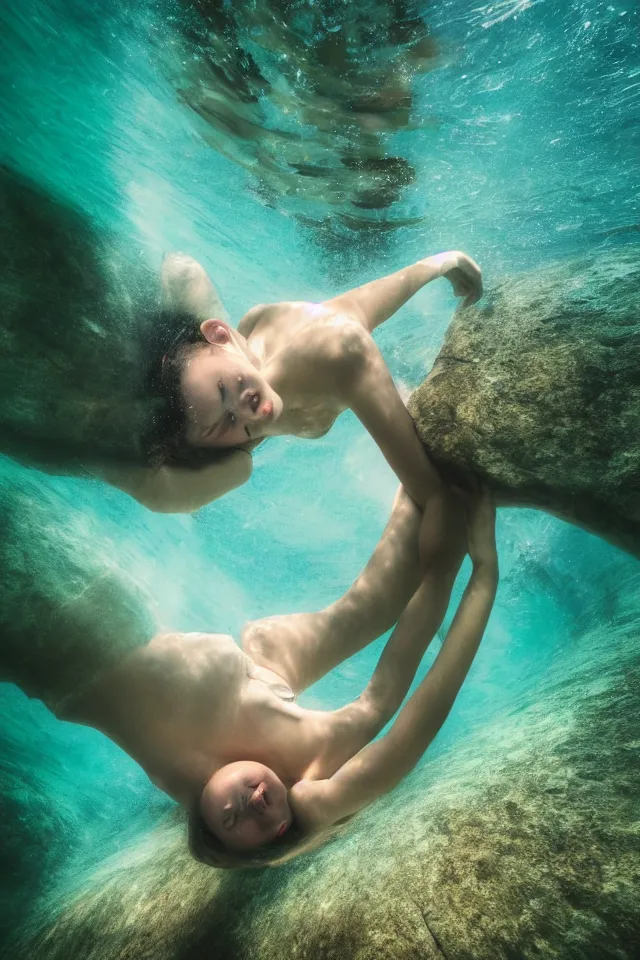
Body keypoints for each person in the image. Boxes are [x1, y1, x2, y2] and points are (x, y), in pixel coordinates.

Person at [61, 486, 498, 869]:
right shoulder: (314, 783)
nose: (251, 803)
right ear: (284, 827)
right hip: (269, 676)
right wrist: (471, 570)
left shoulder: (182, 775)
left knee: (373, 605)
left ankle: (423, 484)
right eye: (261, 821)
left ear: (200, 812)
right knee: (382, 602)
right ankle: (425, 480)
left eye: (228, 816)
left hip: (257, 671)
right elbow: (405, 717)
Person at [104, 249, 482, 513]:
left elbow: (355, 314)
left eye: (225, 391)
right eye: (228, 422)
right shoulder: (231, 450)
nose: (244, 408)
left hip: (261, 340)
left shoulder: (319, 349)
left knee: (185, 274)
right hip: (232, 358)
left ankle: (203, 319)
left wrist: (441, 262)